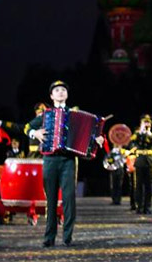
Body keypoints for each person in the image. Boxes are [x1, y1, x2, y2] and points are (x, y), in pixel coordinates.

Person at [26, 80, 104, 247]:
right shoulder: (45, 114)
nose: (60, 92)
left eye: (63, 90)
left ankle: (68, 236)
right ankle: (49, 236)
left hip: (69, 160)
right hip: (50, 160)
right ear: (51, 96)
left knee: (69, 199)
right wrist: (35, 133)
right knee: (51, 200)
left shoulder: (75, 114)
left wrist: (96, 139)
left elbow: (88, 136)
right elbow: (27, 128)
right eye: (57, 90)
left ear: (66, 94)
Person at [128, 114, 152, 215]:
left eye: (148, 122)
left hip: (149, 161)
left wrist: (148, 133)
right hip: (140, 161)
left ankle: (147, 207)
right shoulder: (137, 134)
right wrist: (141, 131)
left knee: (148, 186)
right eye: (144, 122)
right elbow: (132, 140)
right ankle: (139, 206)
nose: (147, 124)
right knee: (138, 185)